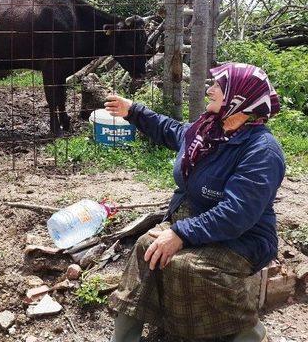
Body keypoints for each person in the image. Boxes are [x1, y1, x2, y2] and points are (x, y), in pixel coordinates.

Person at [104, 63, 285, 342]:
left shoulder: (262, 151)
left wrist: (179, 233)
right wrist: (134, 111)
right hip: (195, 218)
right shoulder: (208, 131)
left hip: (244, 238)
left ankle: (250, 335)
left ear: (240, 98)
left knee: (188, 267)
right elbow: (171, 130)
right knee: (145, 247)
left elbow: (237, 213)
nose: (209, 90)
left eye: (219, 87)